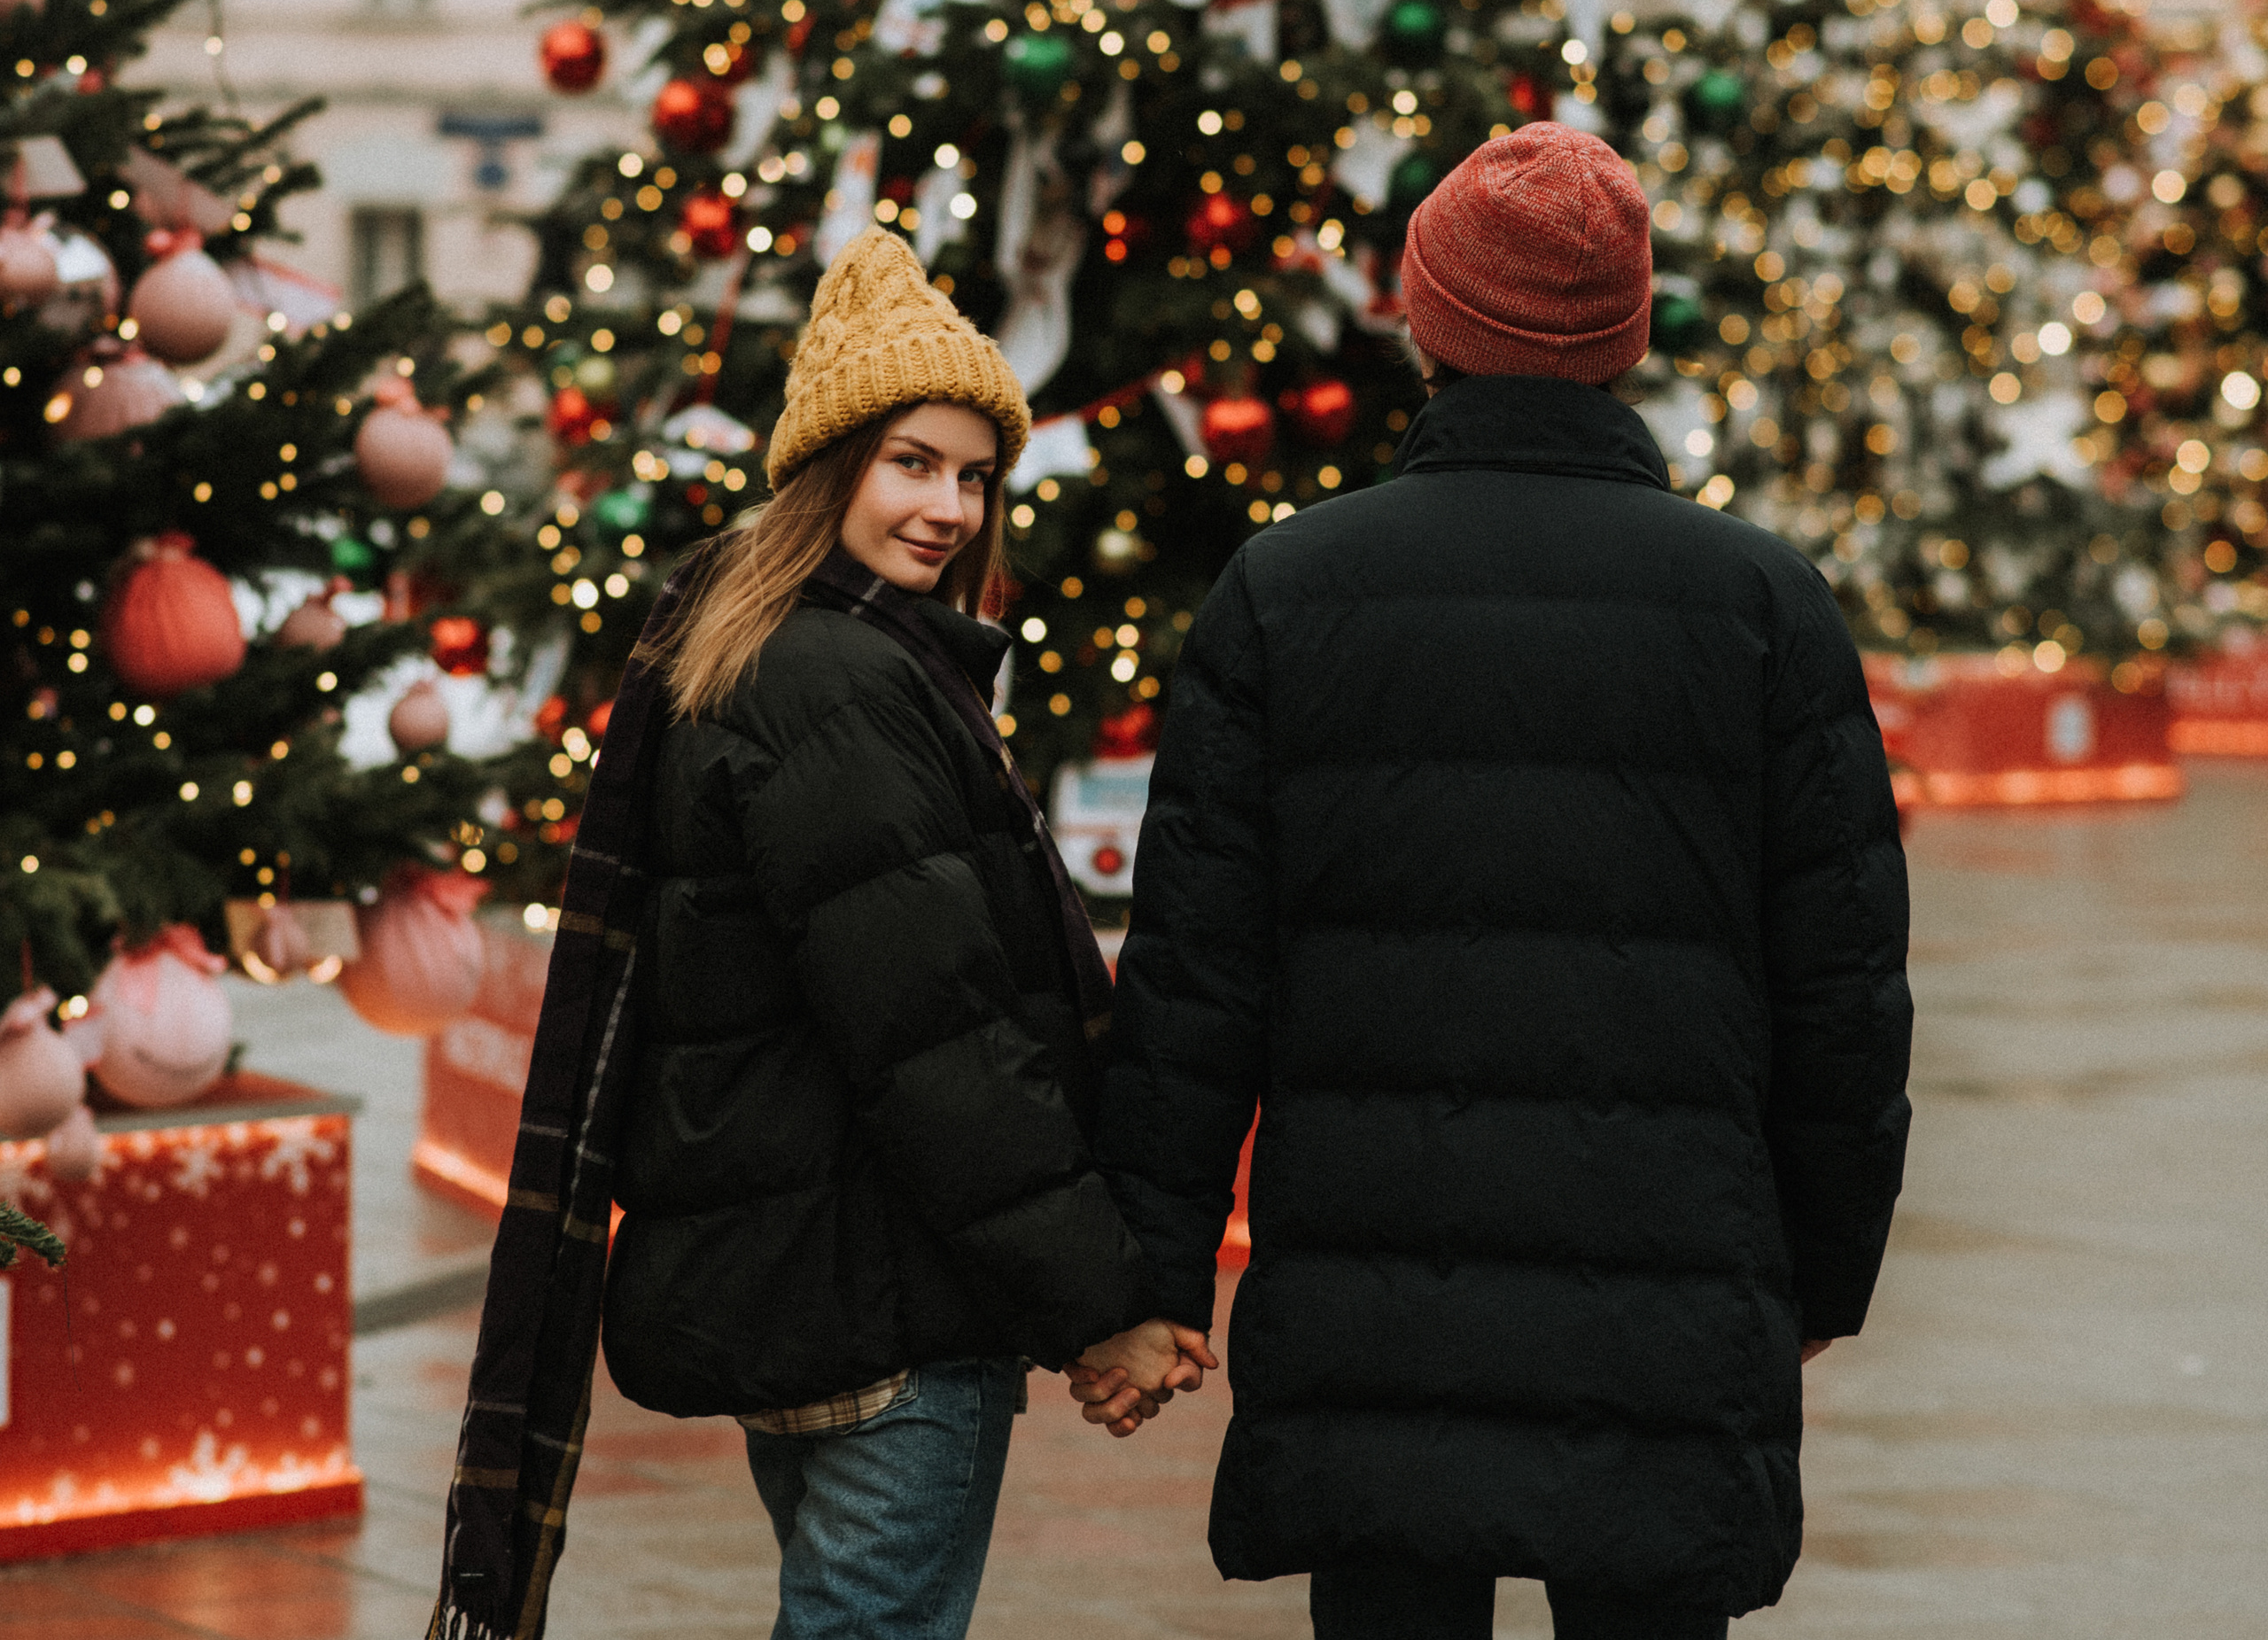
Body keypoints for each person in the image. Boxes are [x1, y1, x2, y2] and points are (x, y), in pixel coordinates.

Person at [1073, 123, 1914, 1640]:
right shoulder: (1761, 605)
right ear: (1627, 336)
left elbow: (1196, 976)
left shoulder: (1288, 592)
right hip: (1666, 1291)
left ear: (1425, 320)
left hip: (1374, 1297)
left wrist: (1156, 1277)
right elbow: (1844, 989)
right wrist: (1818, 1274)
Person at [427, 228, 1208, 1640]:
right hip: (886, 1300)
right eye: (913, 462)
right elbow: (943, 1046)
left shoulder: (765, 643)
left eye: (976, 476)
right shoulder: (839, 686)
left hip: (809, 1284)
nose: (951, 509)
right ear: (827, 466)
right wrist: (1100, 1307)